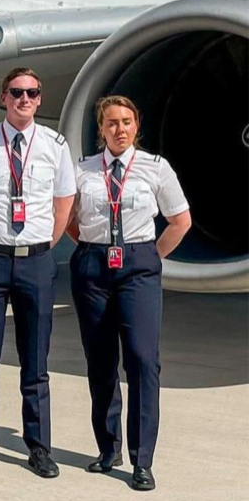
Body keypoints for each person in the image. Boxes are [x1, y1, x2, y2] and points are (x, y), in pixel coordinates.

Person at [67, 96, 191, 492]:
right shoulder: (83, 169)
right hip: (93, 266)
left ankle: (142, 459)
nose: (119, 129)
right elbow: (69, 220)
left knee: (141, 360)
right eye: (111, 123)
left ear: (137, 126)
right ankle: (108, 448)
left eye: (126, 122)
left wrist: (149, 257)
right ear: (100, 129)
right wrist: (90, 249)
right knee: (100, 361)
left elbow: (180, 221)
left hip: (137, 266)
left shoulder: (156, 168)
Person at [0, 67, 76, 478]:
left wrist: (43, 242)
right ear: (4, 96)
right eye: (16, 92)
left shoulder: (54, 145)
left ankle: (39, 447)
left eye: (32, 92)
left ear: (40, 98)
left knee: (35, 358)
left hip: (35, 260)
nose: (24, 99)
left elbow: (64, 201)